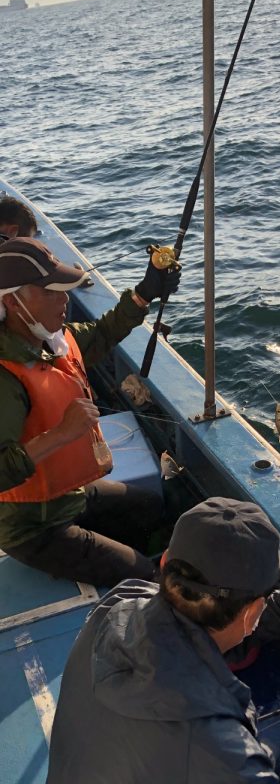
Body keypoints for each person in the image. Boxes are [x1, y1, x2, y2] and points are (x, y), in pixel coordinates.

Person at [47, 497, 280, 783]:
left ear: (166, 563)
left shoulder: (121, 602)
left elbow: (207, 626)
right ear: (250, 612)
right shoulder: (223, 753)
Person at [0, 236, 181, 586]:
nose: (64, 299)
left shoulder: (51, 339)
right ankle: (146, 578)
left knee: (151, 507)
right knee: (148, 578)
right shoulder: (5, 378)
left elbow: (100, 334)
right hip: (33, 528)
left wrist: (145, 292)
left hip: (71, 496)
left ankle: (136, 559)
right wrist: (61, 434)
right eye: (51, 292)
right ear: (12, 302)